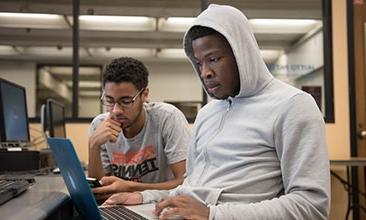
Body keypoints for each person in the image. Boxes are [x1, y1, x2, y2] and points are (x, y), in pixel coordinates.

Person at [103, 4, 331, 220]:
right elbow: (192, 187)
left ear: (243, 55)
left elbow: (311, 206)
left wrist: (212, 215)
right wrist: (142, 197)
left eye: (213, 59)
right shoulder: (208, 113)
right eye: (199, 63)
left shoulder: (293, 105)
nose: (205, 73)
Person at [88, 57, 191, 197]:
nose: (116, 110)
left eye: (126, 101)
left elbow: (185, 183)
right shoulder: (99, 125)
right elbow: (99, 192)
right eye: (110, 100)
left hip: (160, 204)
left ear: (145, 95)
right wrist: (93, 145)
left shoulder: (167, 118)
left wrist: (131, 187)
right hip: (120, 206)